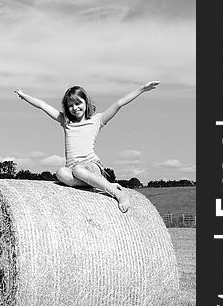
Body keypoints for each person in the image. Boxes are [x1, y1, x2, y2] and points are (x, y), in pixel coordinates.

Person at [14, 81, 160, 212]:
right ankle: (100, 185)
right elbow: (43, 105)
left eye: (78, 103)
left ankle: (117, 193)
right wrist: (24, 96)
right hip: (73, 169)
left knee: (79, 170)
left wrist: (142, 89)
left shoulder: (97, 120)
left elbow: (119, 103)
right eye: (70, 105)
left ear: (86, 102)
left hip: (90, 166)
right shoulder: (66, 122)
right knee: (60, 173)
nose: (74, 108)